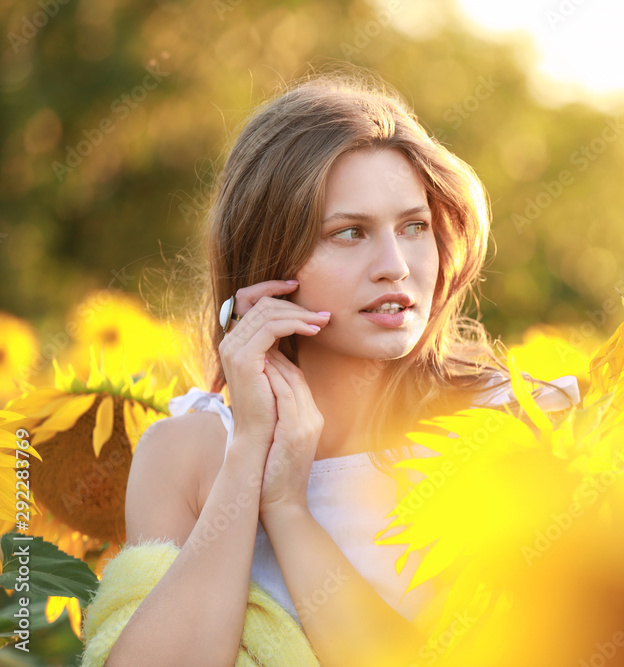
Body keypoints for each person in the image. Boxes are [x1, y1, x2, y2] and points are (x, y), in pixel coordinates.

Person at [88, 71, 579, 666]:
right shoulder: (188, 452)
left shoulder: (518, 424)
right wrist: (249, 453)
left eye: (414, 227)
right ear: (267, 259)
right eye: (349, 233)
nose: (395, 266)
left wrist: (289, 510)